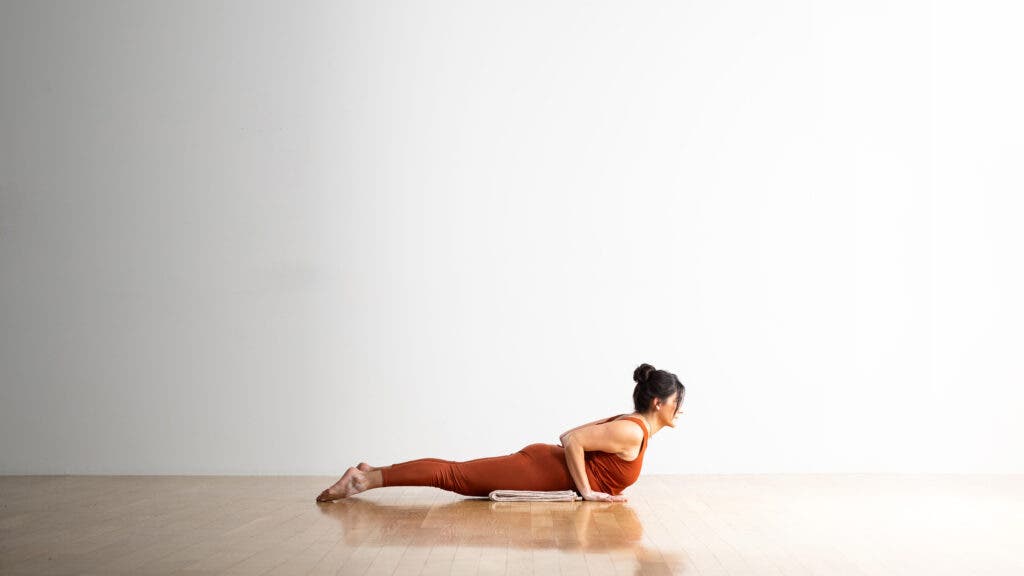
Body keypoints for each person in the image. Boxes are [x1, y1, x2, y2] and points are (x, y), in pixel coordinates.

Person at [316, 363, 685, 503]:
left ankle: (373, 471)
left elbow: (569, 436)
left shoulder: (629, 425)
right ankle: (363, 480)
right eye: (677, 400)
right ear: (658, 403)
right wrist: (587, 492)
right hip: (540, 471)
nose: (680, 407)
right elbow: (572, 440)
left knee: (456, 473)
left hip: (543, 466)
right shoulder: (631, 431)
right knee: (453, 476)